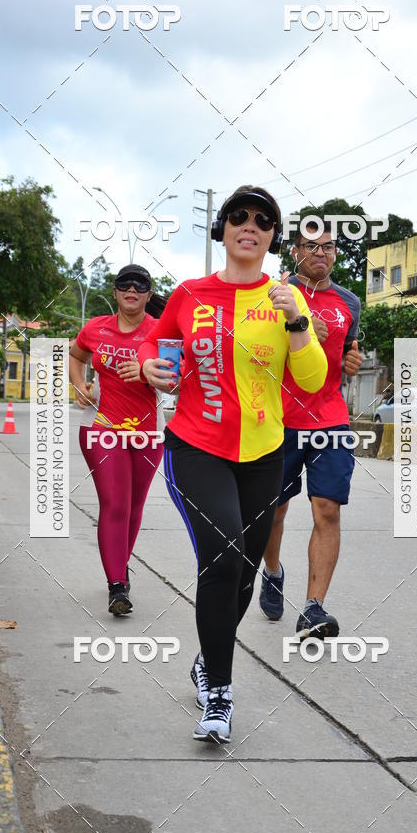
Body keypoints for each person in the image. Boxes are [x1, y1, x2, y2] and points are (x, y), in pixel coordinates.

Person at [135, 186, 327, 744]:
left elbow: (312, 381)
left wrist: (296, 323)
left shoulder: (288, 298)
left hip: (265, 454)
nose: (251, 225)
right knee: (223, 562)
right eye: (239, 217)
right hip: (197, 446)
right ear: (221, 228)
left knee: (242, 571)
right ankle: (218, 689)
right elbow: (154, 344)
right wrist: (150, 368)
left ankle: (205, 658)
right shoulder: (189, 295)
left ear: (272, 236)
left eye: (264, 220)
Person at [259, 220, 363, 641]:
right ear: (295, 252)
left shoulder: (350, 302)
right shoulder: (275, 293)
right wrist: (299, 332)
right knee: (275, 510)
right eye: (311, 246)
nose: (321, 253)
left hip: (331, 418)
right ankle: (272, 571)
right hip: (279, 420)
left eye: (329, 247)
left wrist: (351, 366)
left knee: (327, 509)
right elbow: (258, 354)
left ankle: (314, 608)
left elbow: (348, 354)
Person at [68, 264, 164, 616]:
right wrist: (79, 385)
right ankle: (117, 586)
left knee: (134, 507)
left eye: (140, 285)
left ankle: (118, 569)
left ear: (149, 295)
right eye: (125, 284)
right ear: (115, 292)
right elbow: (76, 356)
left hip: (147, 430)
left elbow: (177, 380)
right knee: (115, 503)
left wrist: (145, 373)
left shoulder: (161, 331)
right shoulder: (96, 328)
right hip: (102, 427)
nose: (132, 289)